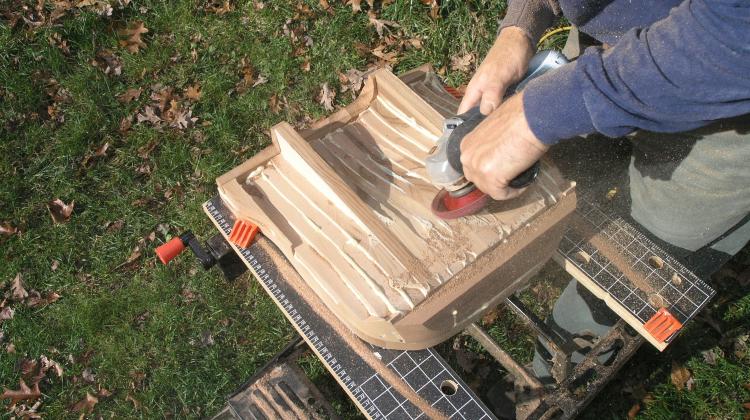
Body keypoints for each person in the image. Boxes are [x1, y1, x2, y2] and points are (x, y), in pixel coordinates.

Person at [456, 0, 750, 389]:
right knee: (572, 170)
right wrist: (521, 25)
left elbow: (737, 31)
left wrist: (542, 113)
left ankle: (553, 379)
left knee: (637, 265)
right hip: (615, 42)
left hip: (727, 99)